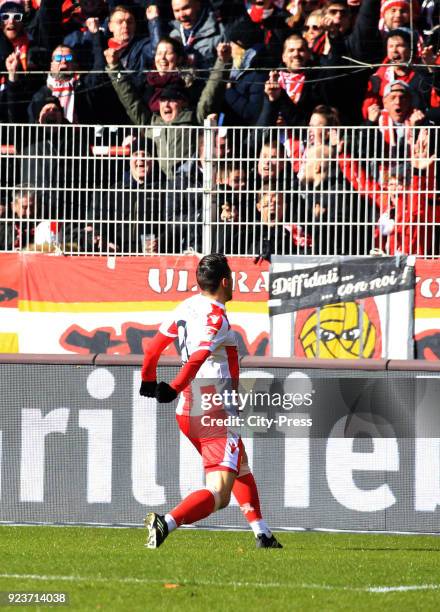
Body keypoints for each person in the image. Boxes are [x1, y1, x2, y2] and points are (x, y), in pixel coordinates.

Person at [140, 253, 282, 549]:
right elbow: (199, 356)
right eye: (232, 280)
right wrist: (174, 386)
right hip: (213, 407)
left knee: (239, 464)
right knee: (219, 493)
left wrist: (148, 380)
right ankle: (165, 523)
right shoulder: (216, 317)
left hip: (188, 411)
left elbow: (154, 347)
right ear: (226, 282)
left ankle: (263, 533)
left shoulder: (187, 305)